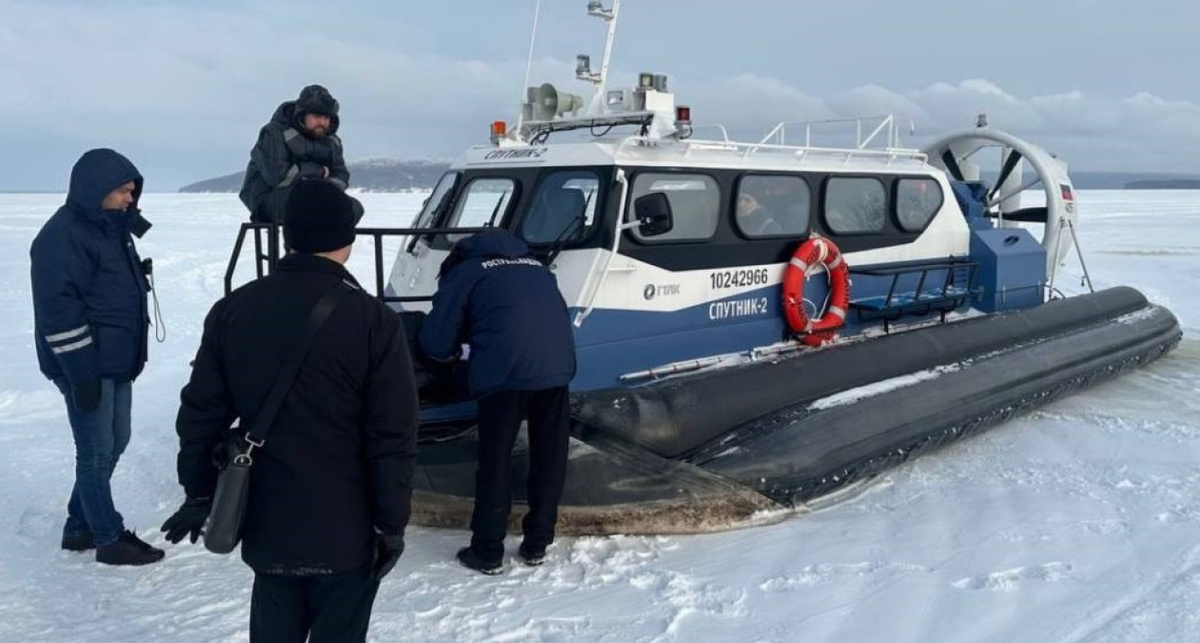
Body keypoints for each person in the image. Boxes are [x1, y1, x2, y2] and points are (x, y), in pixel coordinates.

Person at [160, 180, 419, 641]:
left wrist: (199, 492)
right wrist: (390, 523)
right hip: (348, 525)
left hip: (267, 520)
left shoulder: (233, 310)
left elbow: (200, 413)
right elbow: (393, 436)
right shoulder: (373, 321)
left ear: (288, 237)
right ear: (347, 240)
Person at [29, 148, 164, 566]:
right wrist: (81, 372)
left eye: (132, 191)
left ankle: (78, 524)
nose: (130, 199)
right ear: (96, 189)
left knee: (114, 442)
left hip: (115, 359)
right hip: (86, 364)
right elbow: (58, 310)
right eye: (123, 191)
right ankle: (107, 536)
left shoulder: (111, 229)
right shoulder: (62, 235)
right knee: (94, 450)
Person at [419, 230, 576, 575]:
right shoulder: (538, 268)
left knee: (495, 461)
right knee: (549, 457)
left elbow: (435, 341)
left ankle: (488, 550)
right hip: (556, 370)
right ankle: (537, 544)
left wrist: (451, 356)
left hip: (504, 374)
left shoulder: (467, 271)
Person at [238, 85, 354, 224]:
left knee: (351, 209)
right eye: (317, 116)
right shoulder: (274, 133)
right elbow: (277, 176)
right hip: (269, 196)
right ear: (302, 114)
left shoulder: (332, 141)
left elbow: (342, 175)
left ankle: (324, 245)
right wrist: (319, 171)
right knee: (309, 207)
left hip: (315, 196)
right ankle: (300, 244)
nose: (322, 122)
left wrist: (325, 189)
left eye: (326, 117)